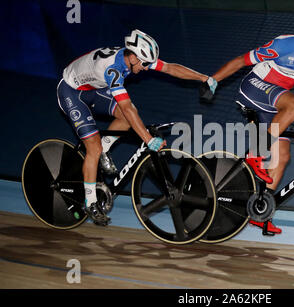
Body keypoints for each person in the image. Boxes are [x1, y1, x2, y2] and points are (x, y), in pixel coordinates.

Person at [199, 9, 294, 234]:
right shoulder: (283, 45)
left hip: (274, 103)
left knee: (282, 157)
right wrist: (212, 81)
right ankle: (255, 154)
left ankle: (260, 210)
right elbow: (242, 60)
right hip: (254, 88)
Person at [57, 29, 215, 225]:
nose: (147, 68)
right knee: (94, 146)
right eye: (144, 63)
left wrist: (202, 77)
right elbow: (127, 108)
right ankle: (90, 202)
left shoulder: (134, 58)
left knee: (125, 118)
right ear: (132, 56)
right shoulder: (113, 70)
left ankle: (104, 149)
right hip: (71, 92)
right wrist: (148, 140)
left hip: (94, 88)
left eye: (148, 63)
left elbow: (169, 68)